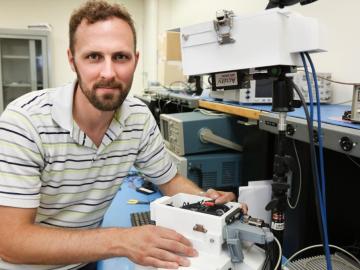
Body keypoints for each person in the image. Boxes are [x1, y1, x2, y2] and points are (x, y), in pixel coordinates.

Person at [0, 1, 246, 269]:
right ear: (72, 60)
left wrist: (214, 207)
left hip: (84, 261)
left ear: (135, 60)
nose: (109, 73)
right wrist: (121, 241)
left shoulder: (137, 117)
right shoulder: (25, 123)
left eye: (120, 57)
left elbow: (170, 181)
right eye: (93, 56)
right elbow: (11, 242)